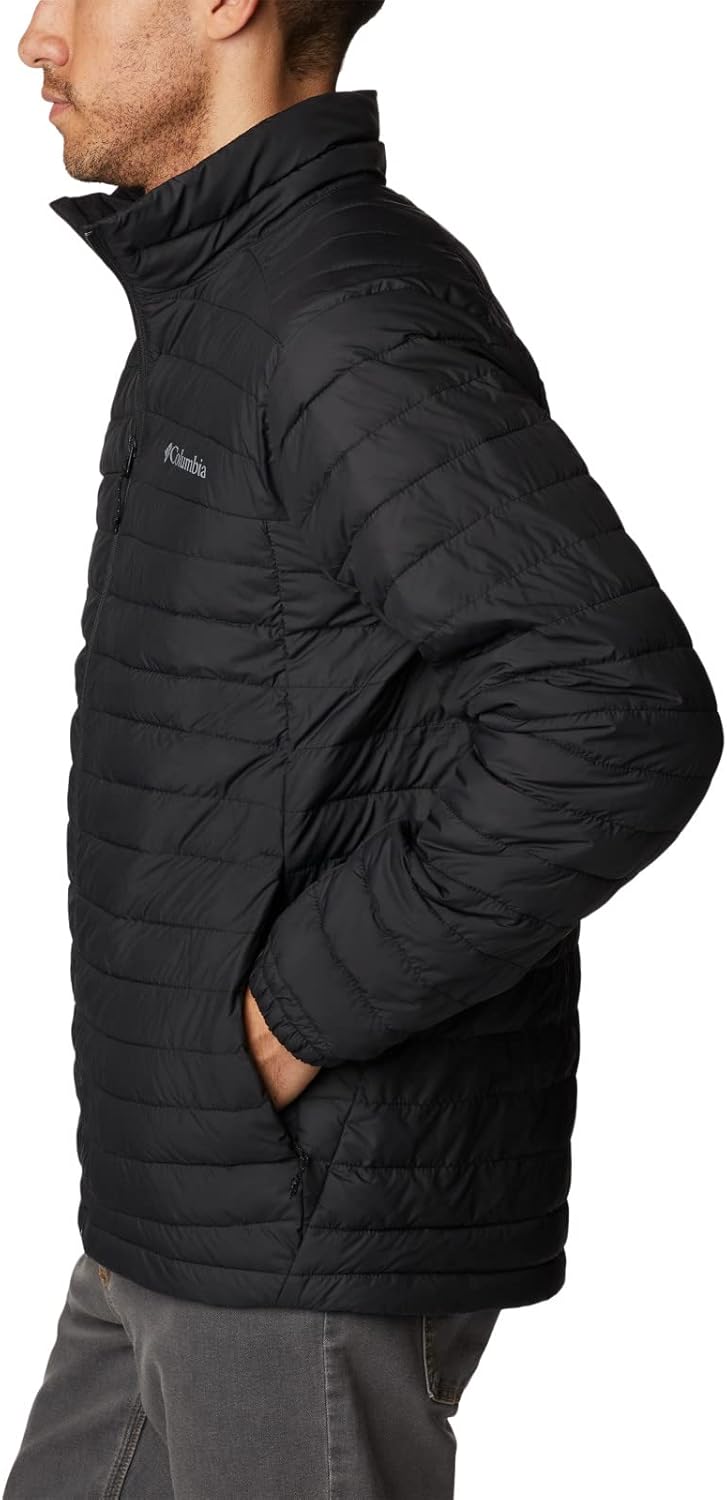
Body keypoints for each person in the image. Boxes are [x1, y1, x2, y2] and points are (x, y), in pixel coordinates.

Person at [6, 1, 723, 1496]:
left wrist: (290, 1017)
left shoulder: (335, 314)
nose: (35, 38)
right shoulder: (233, 293)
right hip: (181, 1206)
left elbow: (615, 710)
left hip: (297, 1229)